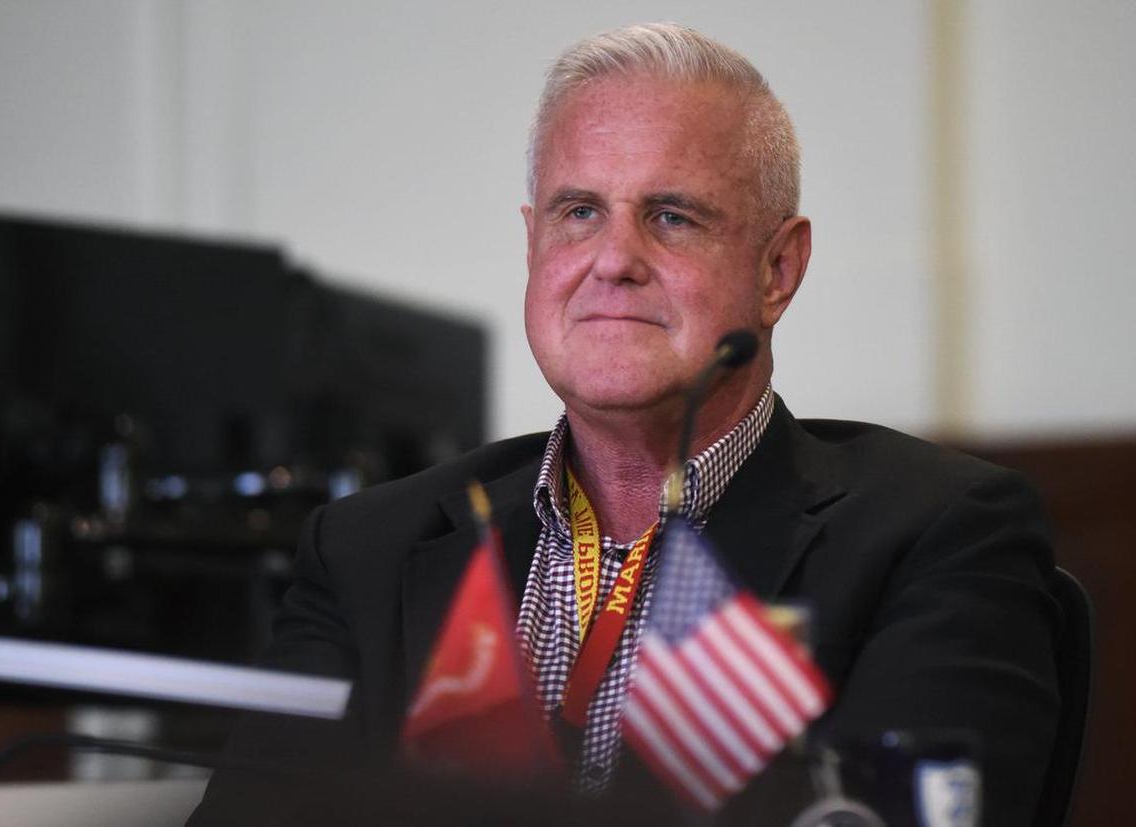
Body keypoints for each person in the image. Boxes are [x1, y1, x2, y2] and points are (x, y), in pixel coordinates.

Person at [191, 23, 1059, 825]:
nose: (612, 260)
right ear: (534, 245)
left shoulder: (936, 535)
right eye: (579, 213)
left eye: (671, 216)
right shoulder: (367, 551)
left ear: (778, 270)